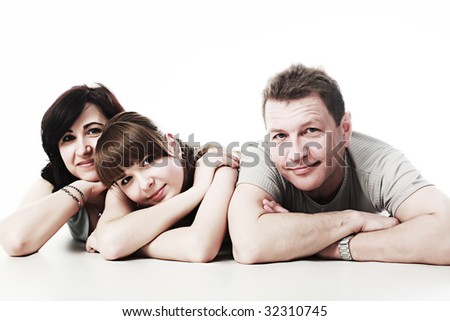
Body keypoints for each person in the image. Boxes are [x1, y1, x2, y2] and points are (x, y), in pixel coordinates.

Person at [228, 64, 450, 265]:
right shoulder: (262, 156)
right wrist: (353, 220)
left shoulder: (377, 161)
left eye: (311, 131)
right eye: (280, 135)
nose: (295, 153)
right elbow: (249, 245)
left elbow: (445, 234)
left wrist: (334, 247)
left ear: (344, 129)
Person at [86, 111, 238, 262]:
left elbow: (200, 247)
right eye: (127, 179)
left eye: (148, 161)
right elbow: (111, 244)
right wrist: (197, 191)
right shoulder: (122, 188)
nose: (145, 184)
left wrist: (132, 245)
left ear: (171, 144)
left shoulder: (215, 163)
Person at [0, 84, 125, 256]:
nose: (82, 150)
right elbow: (15, 241)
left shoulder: (145, 176)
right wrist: (84, 189)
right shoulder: (53, 182)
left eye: (94, 131)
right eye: (68, 138)